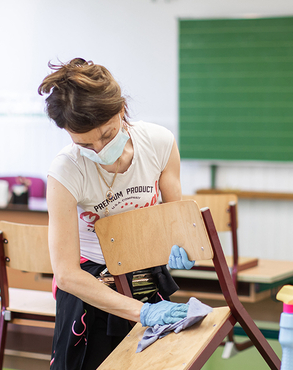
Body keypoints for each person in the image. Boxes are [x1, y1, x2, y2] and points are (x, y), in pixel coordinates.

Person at [39, 58, 196, 369]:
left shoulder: (158, 143)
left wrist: (182, 243)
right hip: (92, 292)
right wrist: (142, 313)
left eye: (108, 135)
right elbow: (67, 274)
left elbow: (173, 219)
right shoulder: (66, 171)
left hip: (147, 277)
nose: (98, 149)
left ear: (121, 109)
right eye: (84, 143)